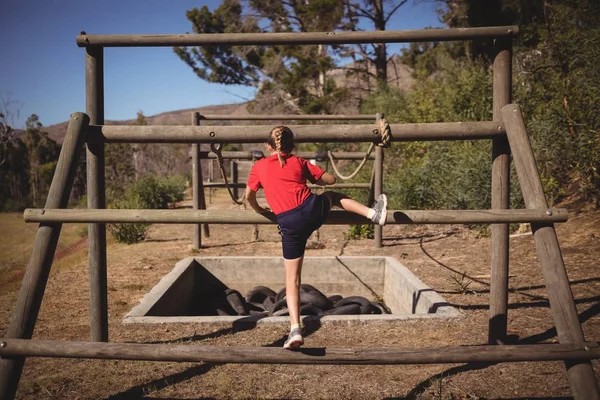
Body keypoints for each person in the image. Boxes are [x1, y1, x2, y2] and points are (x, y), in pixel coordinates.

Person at [245, 125, 388, 350]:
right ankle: (373, 214)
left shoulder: (259, 166)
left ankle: (295, 330)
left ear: (267, 146)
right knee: (332, 197)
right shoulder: (299, 162)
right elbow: (330, 181)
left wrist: (259, 210)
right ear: (293, 146)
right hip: (311, 210)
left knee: (292, 281)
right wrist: (312, 167)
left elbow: (248, 195)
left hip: (288, 224)